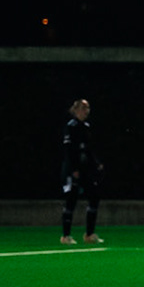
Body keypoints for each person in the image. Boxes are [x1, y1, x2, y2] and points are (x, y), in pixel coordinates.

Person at [60, 98, 106, 245]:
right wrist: (73, 169)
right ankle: (65, 235)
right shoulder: (71, 127)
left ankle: (89, 233)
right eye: (84, 108)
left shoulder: (86, 127)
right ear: (77, 110)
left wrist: (96, 164)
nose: (87, 111)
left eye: (88, 108)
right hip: (73, 170)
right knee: (71, 200)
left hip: (85, 170)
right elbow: (69, 150)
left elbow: (88, 149)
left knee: (94, 196)